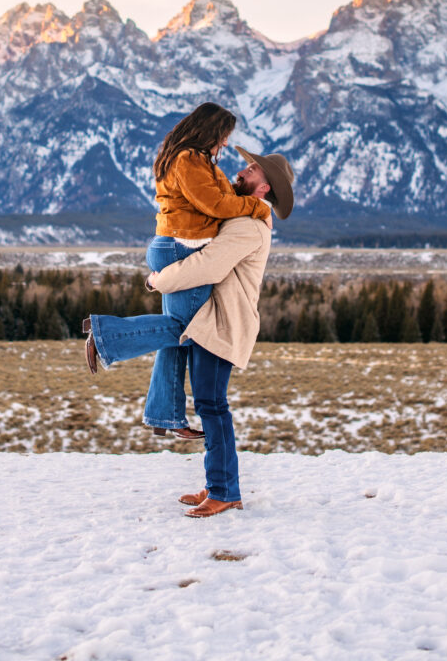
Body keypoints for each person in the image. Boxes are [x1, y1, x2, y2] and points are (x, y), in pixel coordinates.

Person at [83, 146, 294, 517]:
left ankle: (225, 491)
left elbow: (209, 265)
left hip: (223, 325)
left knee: (213, 406)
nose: (243, 172)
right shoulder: (241, 217)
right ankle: (219, 485)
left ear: (264, 189)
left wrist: (158, 280)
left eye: (252, 170)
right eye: (248, 165)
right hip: (212, 320)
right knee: (211, 405)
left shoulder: (248, 227)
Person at [138, 102, 272, 438]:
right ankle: (109, 336)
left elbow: (220, 199)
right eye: (224, 136)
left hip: (176, 244)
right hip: (180, 246)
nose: (225, 144)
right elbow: (215, 205)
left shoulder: (197, 161)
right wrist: (256, 206)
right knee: (184, 331)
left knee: (179, 332)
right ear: (209, 131)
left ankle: (164, 415)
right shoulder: (188, 160)